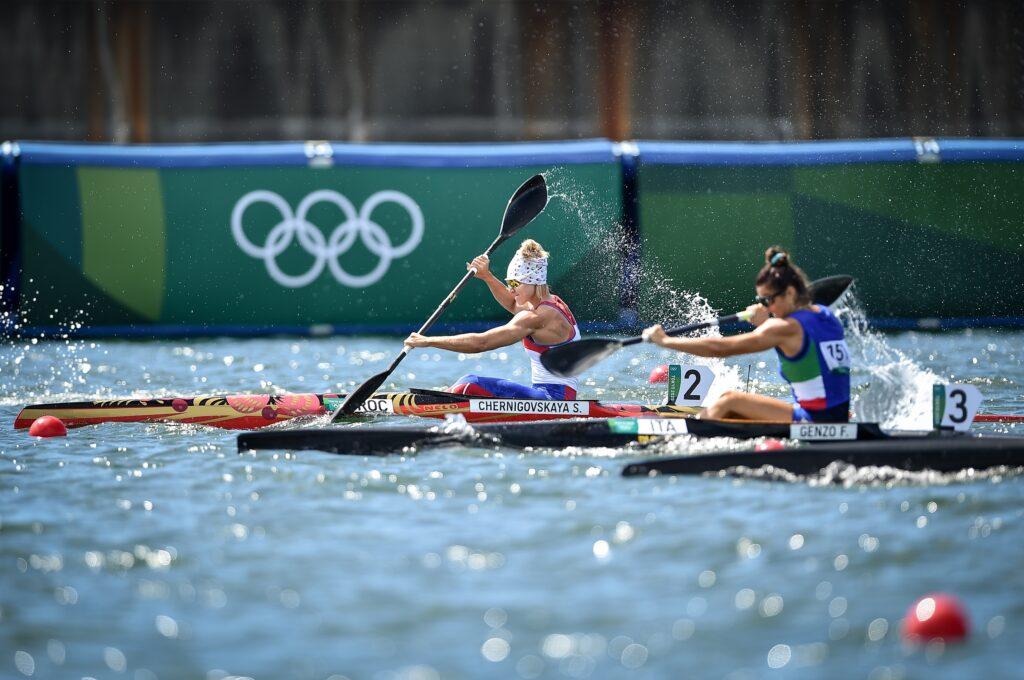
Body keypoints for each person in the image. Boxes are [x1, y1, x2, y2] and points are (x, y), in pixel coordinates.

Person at [642, 247, 850, 422]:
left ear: (790, 293)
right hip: (837, 416)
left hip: (814, 420)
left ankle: (686, 435)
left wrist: (665, 340)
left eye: (768, 300)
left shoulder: (783, 328)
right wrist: (767, 321)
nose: (766, 306)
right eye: (761, 300)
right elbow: (800, 339)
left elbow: (719, 348)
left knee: (729, 400)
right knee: (734, 406)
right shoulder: (825, 315)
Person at [403, 239, 581, 399]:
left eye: (514, 283)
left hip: (552, 399)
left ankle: (436, 401)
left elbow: (482, 343)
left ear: (533, 281)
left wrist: (428, 341)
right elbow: (512, 304)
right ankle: (446, 395)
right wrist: (486, 276)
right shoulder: (551, 302)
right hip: (553, 396)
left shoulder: (538, 316)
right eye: (509, 283)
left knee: (470, 383)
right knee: (466, 386)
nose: (510, 289)